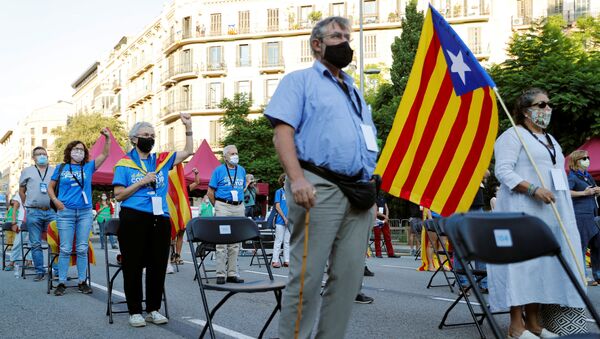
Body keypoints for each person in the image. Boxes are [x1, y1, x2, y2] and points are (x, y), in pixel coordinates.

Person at [264, 16, 378, 338]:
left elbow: (366, 140)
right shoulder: (299, 81)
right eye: (337, 36)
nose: (345, 42)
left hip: (358, 192)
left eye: (347, 36)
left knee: (347, 279)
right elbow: (282, 132)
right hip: (319, 186)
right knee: (308, 277)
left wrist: (372, 186)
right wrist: (298, 179)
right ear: (317, 44)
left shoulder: (354, 90)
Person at [489, 88, 584, 338]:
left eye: (548, 105)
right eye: (541, 105)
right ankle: (515, 326)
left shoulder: (551, 140)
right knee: (520, 266)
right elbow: (504, 171)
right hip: (521, 212)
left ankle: (533, 323)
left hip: (550, 216)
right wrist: (533, 189)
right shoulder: (512, 136)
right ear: (525, 111)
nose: (547, 109)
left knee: (540, 267)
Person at [113, 114, 193, 327]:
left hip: (160, 217)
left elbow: (187, 152)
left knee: (158, 265)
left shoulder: (161, 160)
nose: (149, 138)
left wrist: (188, 128)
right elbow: (119, 195)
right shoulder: (125, 163)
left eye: (152, 135)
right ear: (134, 139)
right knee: (134, 264)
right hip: (133, 217)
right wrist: (141, 183)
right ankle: (135, 310)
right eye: (145, 135)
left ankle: (153, 309)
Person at [48, 128, 110, 296]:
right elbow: (50, 187)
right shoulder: (61, 168)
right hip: (65, 212)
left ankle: (82, 281)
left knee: (82, 248)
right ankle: (61, 281)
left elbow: (105, 155)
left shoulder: (89, 167)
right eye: (75, 149)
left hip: (84, 213)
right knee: (65, 248)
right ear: (69, 151)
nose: (78, 152)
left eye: (81, 150)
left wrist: (107, 139)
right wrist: (55, 201)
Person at [207, 144, 246, 285]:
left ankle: (232, 273)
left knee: (235, 242)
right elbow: (210, 192)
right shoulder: (218, 171)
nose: (235, 156)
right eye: (232, 154)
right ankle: (220, 274)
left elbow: (242, 189)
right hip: (223, 206)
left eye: (236, 153)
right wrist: (218, 206)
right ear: (225, 157)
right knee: (222, 241)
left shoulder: (241, 170)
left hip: (238, 207)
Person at [18, 146, 56, 281]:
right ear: (33, 157)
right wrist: (26, 204)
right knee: (35, 243)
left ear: (47, 156)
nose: (42, 156)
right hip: (33, 211)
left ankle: (56, 271)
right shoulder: (27, 171)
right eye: (38, 154)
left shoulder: (54, 170)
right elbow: (21, 190)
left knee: (55, 242)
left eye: (44, 154)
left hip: (51, 211)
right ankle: (40, 271)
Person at [567, 149, 600, 286]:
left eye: (588, 157)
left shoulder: (588, 176)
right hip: (580, 215)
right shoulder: (572, 176)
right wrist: (584, 193)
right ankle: (582, 276)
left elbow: (592, 190)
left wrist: (596, 191)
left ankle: (597, 275)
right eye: (584, 158)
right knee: (582, 245)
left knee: (597, 244)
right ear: (576, 161)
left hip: (593, 213)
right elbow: (567, 193)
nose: (587, 160)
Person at [5, 194, 30, 272]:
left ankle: (29, 261)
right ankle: (12, 262)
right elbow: (14, 210)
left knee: (32, 242)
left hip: (34, 219)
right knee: (18, 242)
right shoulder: (19, 194)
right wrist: (14, 223)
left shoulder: (34, 192)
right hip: (21, 221)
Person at [271, 174, 290, 268]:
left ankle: (287, 260)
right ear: (283, 181)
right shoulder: (279, 192)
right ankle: (275, 260)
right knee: (278, 240)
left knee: (287, 241)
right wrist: (284, 218)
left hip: (290, 220)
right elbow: (277, 206)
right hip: (280, 220)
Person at [373, 192, 399, 258]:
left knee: (388, 237)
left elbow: (386, 208)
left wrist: (387, 216)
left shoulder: (382, 197)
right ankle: (378, 253)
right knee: (377, 238)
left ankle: (391, 253)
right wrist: (384, 216)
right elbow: (375, 211)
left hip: (385, 220)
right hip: (377, 221)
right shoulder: (373, 198)